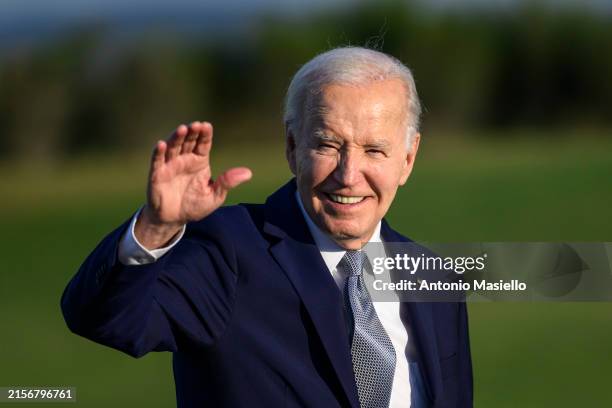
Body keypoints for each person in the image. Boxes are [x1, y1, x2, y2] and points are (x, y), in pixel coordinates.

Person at [61, 47, 472, 408]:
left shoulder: (432, 277)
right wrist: (155, 228)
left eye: (374, 150)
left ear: (407, 159)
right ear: (292, 147)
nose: (349, 175)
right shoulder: (228, 250)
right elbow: (105, 320)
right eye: (328, 145)